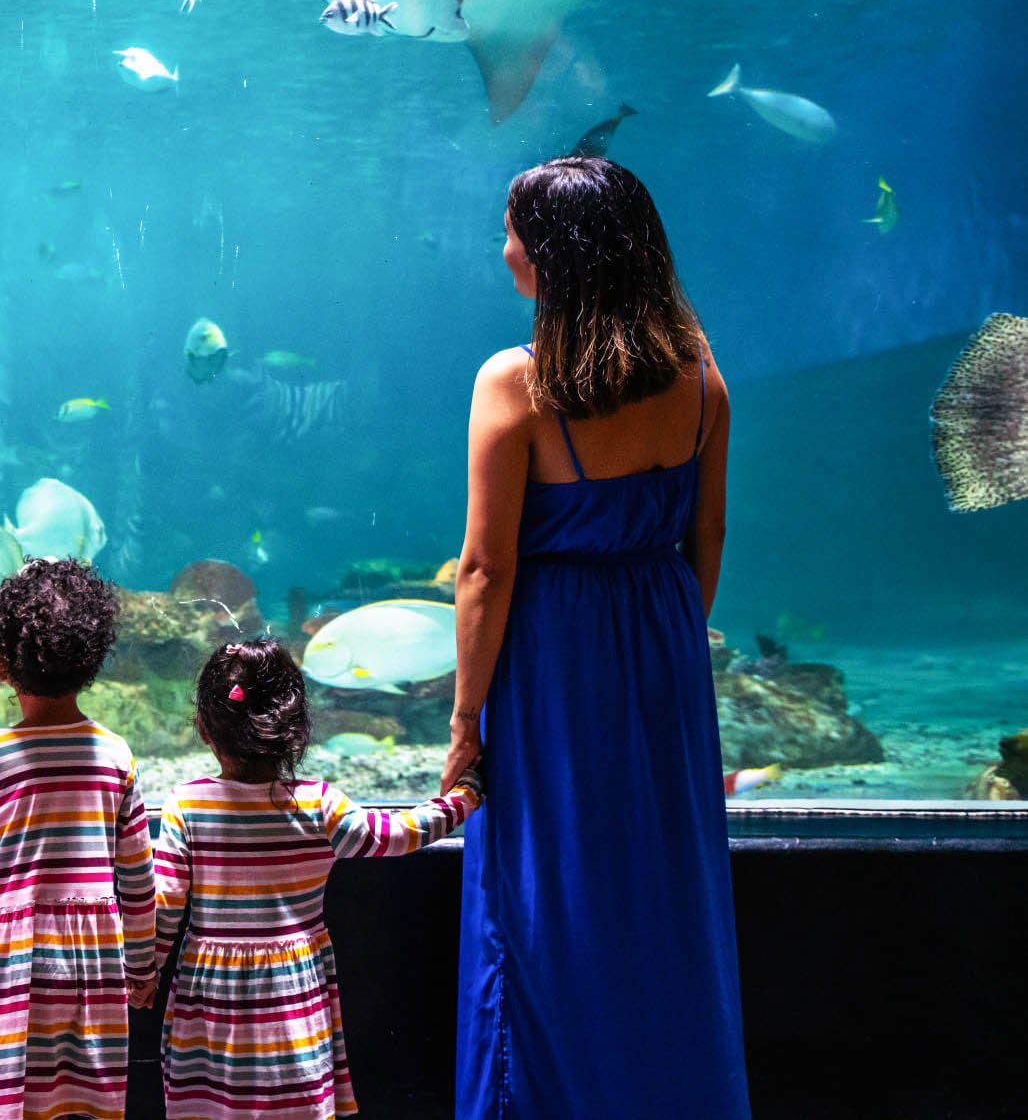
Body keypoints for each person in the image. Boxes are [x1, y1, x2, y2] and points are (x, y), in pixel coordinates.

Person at [445, 156, 750, 1118]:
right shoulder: (702, 374)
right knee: (663, 892)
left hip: (552, 659)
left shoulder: (519, 384)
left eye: (512, 231)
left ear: (552, 254)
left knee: (544, 900)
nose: (503, 250)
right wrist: (662, 647)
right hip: (661, 638)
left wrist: (464, 724)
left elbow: (488, 571)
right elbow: (708, 534)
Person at [146, 638, 482, 1120]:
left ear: (203, 727)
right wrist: (466, 794)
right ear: (295, 727)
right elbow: (402, 833)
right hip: (292, 994)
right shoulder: (320, 803)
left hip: (210, 998)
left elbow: (167, 902)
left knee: (209, 1103)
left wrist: (144, 972)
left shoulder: (186, 804)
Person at [0, 558, 156, 1120]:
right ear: (93, 662)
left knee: (12, 1097)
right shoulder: (115, 755)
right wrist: (143, 966)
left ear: (1, 664)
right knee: (86, 1100)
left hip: (17, 958)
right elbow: (139, 876)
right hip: (97, 958)